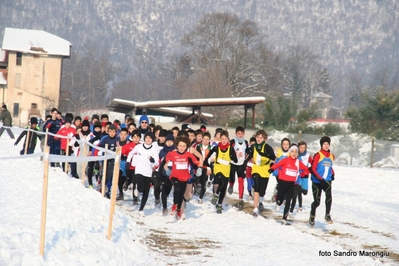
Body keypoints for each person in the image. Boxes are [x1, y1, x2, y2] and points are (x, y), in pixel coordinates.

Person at [269, 144, 309, 224]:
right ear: (290, 152)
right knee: (280, 201)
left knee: (288, 201)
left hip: (291, 184)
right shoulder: (285, 160)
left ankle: (284, 218)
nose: (294, 153)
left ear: (297, 154)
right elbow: (277, 165)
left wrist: (305, 174)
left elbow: (306, 169)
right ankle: (277, 197)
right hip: (282, 183)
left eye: (296, 152)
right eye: (292, 151)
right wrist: (272, 169)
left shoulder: (298, 162)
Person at [164, 135, 200, 220]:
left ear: (186, 147)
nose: (182, 148)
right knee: (177, 188)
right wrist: (166, 169)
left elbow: (194, 163)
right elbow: (164, 162)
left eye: (184, 146)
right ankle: (174, 205)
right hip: (175, 176)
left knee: (181, 194)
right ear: (177, 145)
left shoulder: (188, 155)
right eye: (180, 145)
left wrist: (198, 169)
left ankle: (179, 209)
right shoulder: (172, 154)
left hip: (184, 177)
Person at [204, 130, 238, 214]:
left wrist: (232, 155)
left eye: (225, 139)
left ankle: (219, 204)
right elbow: (208, 156)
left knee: (223, 187)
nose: (223, 140)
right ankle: (216, 194)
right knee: (220, 182)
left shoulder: (230, 149)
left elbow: (235, 160)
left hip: (226, 169)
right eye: (222, 139)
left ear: (228, 140)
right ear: (220, 139)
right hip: (218, 168)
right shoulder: (216, 147)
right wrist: (208, 163)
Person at [244, 130, 276, 215]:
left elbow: (273, 157)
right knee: (256, 186)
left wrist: (264, 154)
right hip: (256, 168)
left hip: (265, 169)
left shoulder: (267, 147)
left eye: (261, 137)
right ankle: (255, 208)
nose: (258, 139)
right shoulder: (253, 146)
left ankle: (261, 200)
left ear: (264, 139)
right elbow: (250, 155)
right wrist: (245, 163)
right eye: (257, 137)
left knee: (262, 191)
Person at [130, 131, 159, 216]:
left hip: (148, 172)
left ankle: (141, 209)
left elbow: (157, 162)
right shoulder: (139, 147)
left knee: (146, 191)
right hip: (139, 170)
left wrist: (153, 161)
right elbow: (131, 153)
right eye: (147, 138)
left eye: (150, 138)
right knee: (141, 187)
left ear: (152, 139)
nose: (148, 139)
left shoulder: (154, 150)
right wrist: (129, 161)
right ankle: (137, 189)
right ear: (144, 139)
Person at [309, 136, 335, 226]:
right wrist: (320, 179)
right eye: (324, 144)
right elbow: (313, 168)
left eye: (328, 144)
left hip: (327, 180)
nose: (326, 145)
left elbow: (330, 166)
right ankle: (312, 215)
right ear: (321, 145)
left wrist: (333, 173)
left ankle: (327, 215)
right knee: (317, 202)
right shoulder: (318, 155)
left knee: (329, 197)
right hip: (317, 181)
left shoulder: (331, 156)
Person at [290, 141, 312, 213]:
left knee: (305, 192)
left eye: (304, 148)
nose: (302, 149)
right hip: (298, 176)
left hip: (305, 176)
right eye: (301, 147)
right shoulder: (296, 155)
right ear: (298, 148)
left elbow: (313, 163)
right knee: (298, 191)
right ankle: (300, 206)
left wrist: (310, 170)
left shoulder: (307, 155)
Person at [228, 126, 249, 201]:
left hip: (241, 164)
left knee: (241, 181)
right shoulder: (233, 142)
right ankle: (231, 185)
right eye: (238, 133)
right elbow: (229, 151)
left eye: (241, 133)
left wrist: (246, 159)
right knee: (232, 178)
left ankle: (240, 198)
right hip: (233, 163)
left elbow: (247, 152)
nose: (240, 135)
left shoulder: (246, 142)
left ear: (244, 134)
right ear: (236, 134)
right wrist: (236, 153)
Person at [157, 134, 176, 214]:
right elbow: (160, 163)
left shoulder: (176, 151)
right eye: (168, 141)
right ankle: (164, 207)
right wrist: (159, 174)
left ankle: (166, 196)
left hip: (172, 174)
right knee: (164, 189)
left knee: (168, 189)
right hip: (164, 174)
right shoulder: (162, 152)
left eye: (171, 141)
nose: (169, 143)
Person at [271, 137, 291, 204]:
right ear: (282, 145)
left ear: (289, 145)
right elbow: (273, 160)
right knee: (282, 185)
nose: (285, 146)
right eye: (284, 144)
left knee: (284, 186)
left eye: (287, 144)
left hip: (286, 173)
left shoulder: (290, 153)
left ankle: (279, 193)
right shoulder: (278, 152)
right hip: (278, 172)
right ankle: (278, 197)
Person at [195, 132, 212, 203]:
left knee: (204, 182)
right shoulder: (198, 146)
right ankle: (197, 187)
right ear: (202, 139)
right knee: (197, 179)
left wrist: (209, 168)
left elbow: (211, 159)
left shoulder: (211, 148)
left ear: (209, 140)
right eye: (204, 139)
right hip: (199, 166)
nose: (205, 140)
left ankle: (200, 198)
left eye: (207, 139)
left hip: (206, 167)